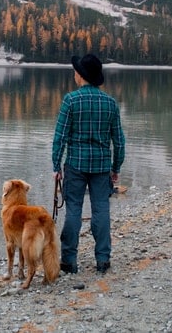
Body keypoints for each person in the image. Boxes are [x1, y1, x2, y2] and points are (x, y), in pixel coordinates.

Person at [51, 53, 126, 275]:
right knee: (101, 210)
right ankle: (103, 259)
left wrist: (56, 166)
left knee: (73, 209)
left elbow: (60, 137)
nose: (74, 74)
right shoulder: (110, 103)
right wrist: (116, 167)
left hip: (75, 164)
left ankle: (69, 260)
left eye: (76, 71)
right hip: (102, 166)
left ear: (82, 75)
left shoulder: (71, 100)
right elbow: (119, 141)